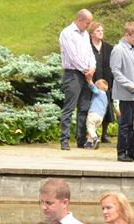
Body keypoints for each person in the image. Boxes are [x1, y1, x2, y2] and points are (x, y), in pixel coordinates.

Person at [58, 9, 95, 151]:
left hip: (86, 73)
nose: (88, 26)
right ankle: (64, 139)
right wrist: (86, 70)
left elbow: (90, 53)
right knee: (69, 107)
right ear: (80, 20)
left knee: (84, 107)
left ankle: (81, 139)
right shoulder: (67, 33)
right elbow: (72, 56)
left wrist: (92, 67)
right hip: (73, 74)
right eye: (87, 23)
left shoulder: (85, 34)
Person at [111, 21, 134, 162]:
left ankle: (132, 150)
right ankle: (121, 152)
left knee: (133, 123)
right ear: (127, 35)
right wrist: (130, 85)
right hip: (125, 93)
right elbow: (116, 72)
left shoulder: (133, 48)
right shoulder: (119, 49)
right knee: (125, 123)